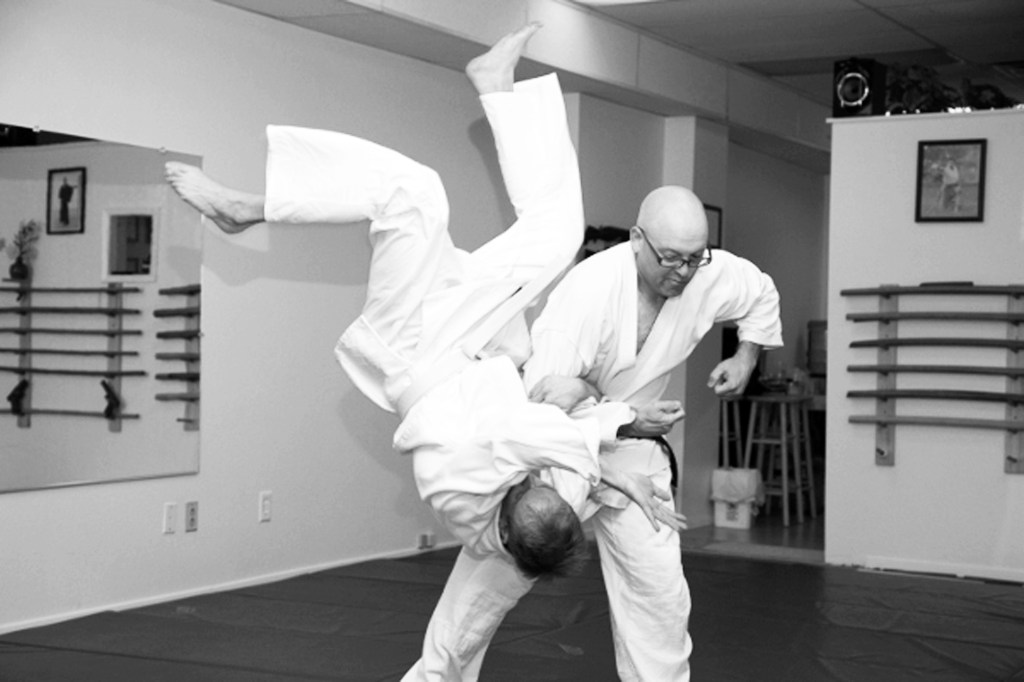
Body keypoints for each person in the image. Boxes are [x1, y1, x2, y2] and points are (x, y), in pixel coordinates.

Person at [165, 23, 684, 680]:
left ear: (506, 527)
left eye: (532, 492)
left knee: (412, 196)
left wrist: (619, 458)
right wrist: (617, 451)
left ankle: (246, 208)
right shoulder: (517, 502)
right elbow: (557, 454)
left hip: (415, 348)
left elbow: (542, 438)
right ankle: (497, 88)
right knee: (557, 234)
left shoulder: (477, 478)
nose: (539, 484)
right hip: (467, 340)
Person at [524, 185, 784, 680]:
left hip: (635, 451)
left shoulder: (705, 273)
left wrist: (745, 357)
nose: (683, 271)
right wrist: (618, 415)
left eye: (694, 258)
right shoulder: (586, 295)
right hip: (561, 452)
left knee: (659, 596)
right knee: (503, 571)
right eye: (670, 258)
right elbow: (541, 413)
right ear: (637, 239)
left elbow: (760, 293)